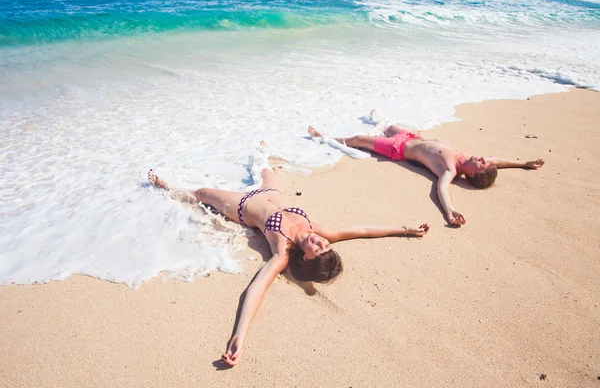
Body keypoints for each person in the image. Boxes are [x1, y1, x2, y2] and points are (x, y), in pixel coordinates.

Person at [147, 160, 429, 366]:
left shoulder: (282, 250)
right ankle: (259, 154)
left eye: (318, 248)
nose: (320, 241)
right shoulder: (317, 230)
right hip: (271, 191)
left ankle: (166, 188)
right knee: (265, 165)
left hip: (242, 206)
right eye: (325, 244)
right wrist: (405, 229)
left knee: (201, 193)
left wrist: (239, 335)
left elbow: (255, 290)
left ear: (305, 258)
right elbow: (363, 231)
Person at [308, 121, 544, 226]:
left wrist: (450, 212)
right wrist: (524, 163)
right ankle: (373, 118)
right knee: (387, 124)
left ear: (471, 174)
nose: (481, 158)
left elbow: (441, 190)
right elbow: (497, 160)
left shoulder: (450, 170)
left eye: (480, 164)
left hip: (397, 149)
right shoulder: (468, 158)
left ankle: (323, 138)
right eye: (482, 160)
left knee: (359, 140)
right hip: (410, 137)